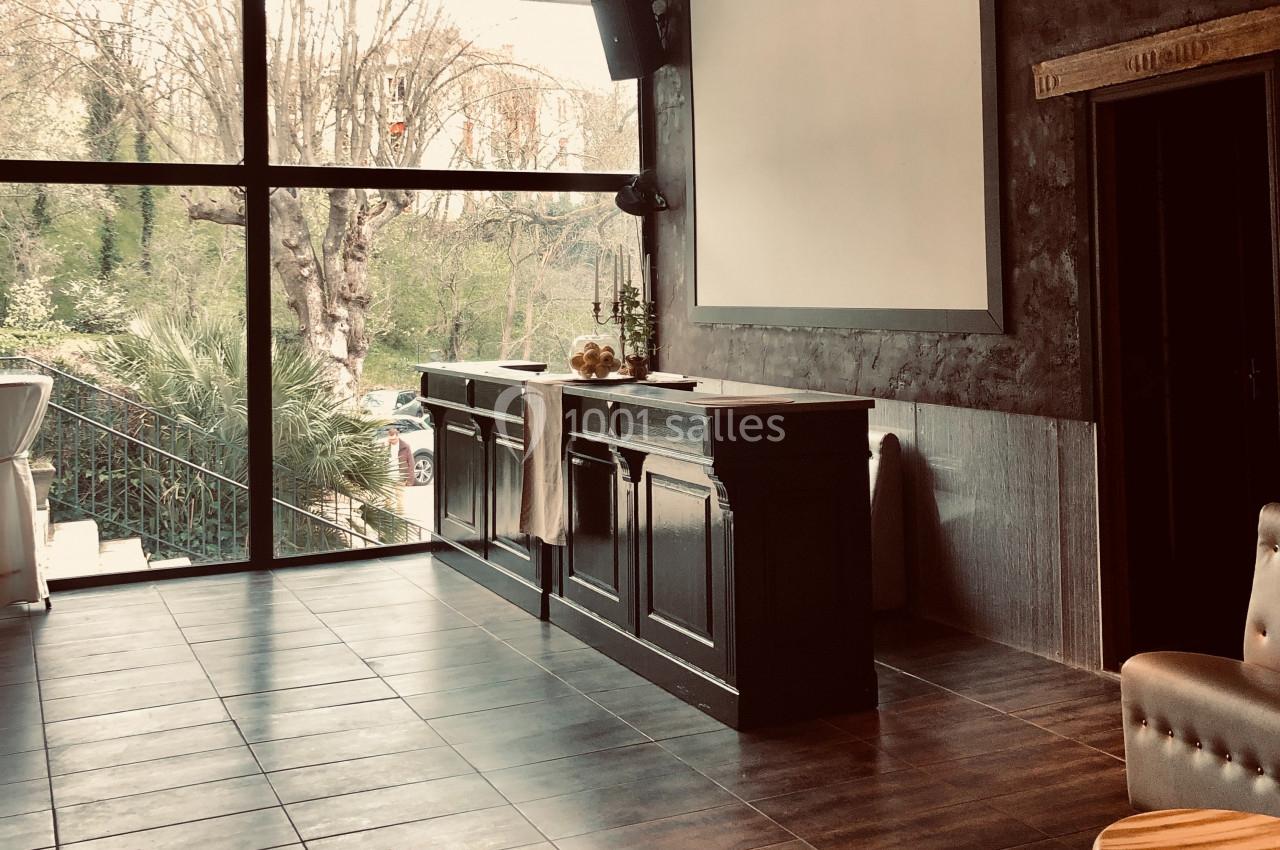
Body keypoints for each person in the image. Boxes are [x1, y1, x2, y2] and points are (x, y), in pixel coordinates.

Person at [387, 426, 412, 514]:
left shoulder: (405, 446)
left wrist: (410, 479)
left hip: (400, 477)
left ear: (398, 436)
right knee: (387, 499)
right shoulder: (386, 445)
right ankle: (387, 516)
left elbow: (410, 463)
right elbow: (380, 459)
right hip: (388, 476)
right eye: (390, 439)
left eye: (394, 439)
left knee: (399, 499)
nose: (392, 441)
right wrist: (385, 446)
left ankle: (400, 517)